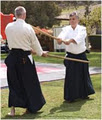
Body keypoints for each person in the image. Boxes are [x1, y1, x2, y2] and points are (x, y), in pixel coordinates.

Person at [5, 6, 48, 116]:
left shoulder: (8, 27)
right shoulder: (28, 27)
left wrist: (30, 48)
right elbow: (35, 42)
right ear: (24, 15)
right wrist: (41, 53)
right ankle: (31, 107)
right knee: (30, 83)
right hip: (25, 58)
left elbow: (11, 41)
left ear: (15, 15)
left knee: (14, 83)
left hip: (13, 57)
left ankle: (13, 110)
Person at [57, 12, 95, 103]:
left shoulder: (82, 29)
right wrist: (59, 40)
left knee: (83, 75)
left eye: (73, 19)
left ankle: (84, 94)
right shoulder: (66, 29)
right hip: (70, 56)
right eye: (70, 19)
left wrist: (69, 41)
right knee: (71, 77)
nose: (72, 21)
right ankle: (71, 96)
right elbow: (61, 37)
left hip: (81, 55)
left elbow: (78, 38)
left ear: (77, 20)